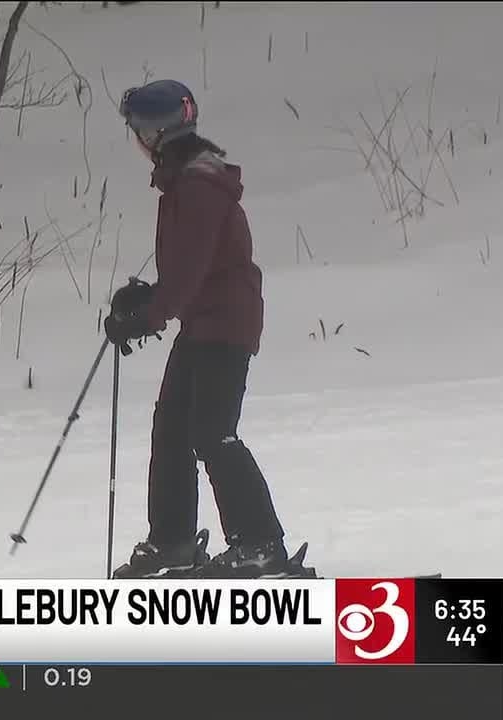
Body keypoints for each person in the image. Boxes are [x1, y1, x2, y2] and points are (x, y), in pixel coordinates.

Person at [104, 80, 291, 578]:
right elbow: (191, 269)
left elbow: (190, 273)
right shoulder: (186, 180)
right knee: (172, 429)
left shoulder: (197, 187)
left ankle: (260, 544)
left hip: (225, 321)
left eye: (138, 131)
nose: (137, 141)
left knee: (212, 432)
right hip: (205, 319)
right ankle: (173, 541)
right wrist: (148, 298)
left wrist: (150, 314)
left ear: (156, 132)